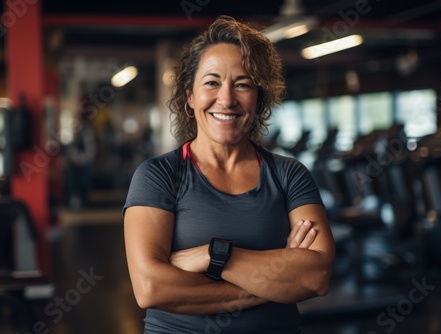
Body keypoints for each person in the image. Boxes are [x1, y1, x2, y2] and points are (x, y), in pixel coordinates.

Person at [123, 15, 335, 333]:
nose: (226, 99)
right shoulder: (159, 176)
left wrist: (214, 255)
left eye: (243, 84)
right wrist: (272, 284)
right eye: (211, 82)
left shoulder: (290, 176)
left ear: (260, 98)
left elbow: (316, 276)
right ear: (189, 96)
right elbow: (151, 288)